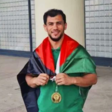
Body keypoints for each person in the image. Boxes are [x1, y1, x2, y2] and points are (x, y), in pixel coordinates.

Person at [17, 9, 97, 112]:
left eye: (58, 23)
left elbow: (93, 78)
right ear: (45, 27)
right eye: (51, 24)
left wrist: (72, 80)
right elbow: (28, 77)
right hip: (45, 109)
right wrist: (35, 80)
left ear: (65, 25)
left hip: (72, 109)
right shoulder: (38, 53)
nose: (55, 27)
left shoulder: (77, 51)